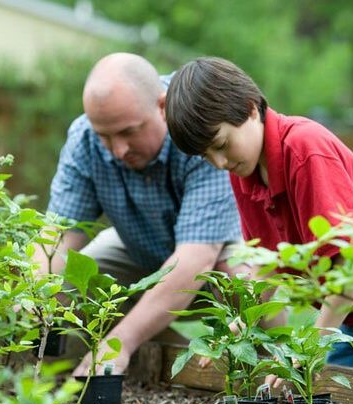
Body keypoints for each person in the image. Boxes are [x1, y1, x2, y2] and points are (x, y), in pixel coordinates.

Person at [33, 53, 242, 376]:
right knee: (77, 280)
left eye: (129, 132)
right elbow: (56, 238)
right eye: (106, 136)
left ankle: (272, 365)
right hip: (139, 249)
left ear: (161, 106)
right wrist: (31, 294)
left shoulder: (198, 122)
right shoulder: (85, 139)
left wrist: (120, 342)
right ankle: (174, 362)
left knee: (245, 278)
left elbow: (195, 259)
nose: (118, 149)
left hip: (215, 251)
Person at [165, 56, 353, 369]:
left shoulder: (303, 148)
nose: (219, 162)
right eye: (206, 156)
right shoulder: (243, 173)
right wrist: (241, 325)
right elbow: (266, 266)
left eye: (221, 144)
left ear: (250, 108)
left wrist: (309, 347)